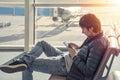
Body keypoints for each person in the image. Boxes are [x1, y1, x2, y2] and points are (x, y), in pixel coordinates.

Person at [0, 13, 109, 80]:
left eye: (83, 29)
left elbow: (88, 71)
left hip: (65, 66)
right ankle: (23, 59)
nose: (82, 31)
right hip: (66, 58)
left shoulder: (98, 44)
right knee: (42, 43)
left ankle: (22, 60)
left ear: (90, 28)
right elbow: (88, 54)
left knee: (27, 64)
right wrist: (78, 48)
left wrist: (75, 56)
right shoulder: (97, 38)